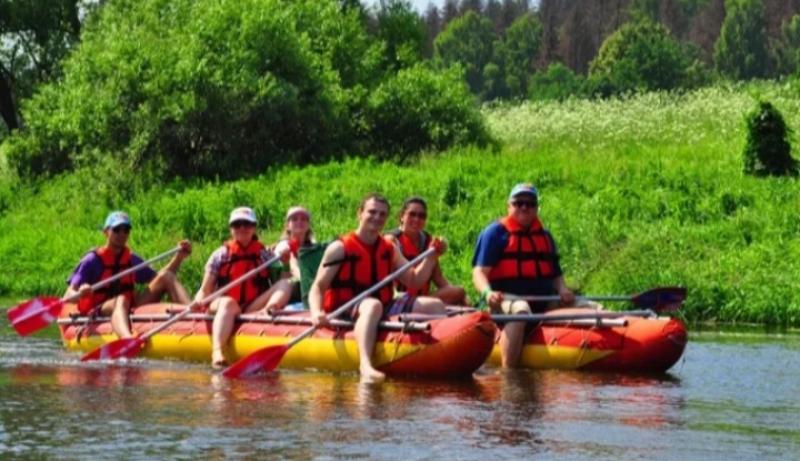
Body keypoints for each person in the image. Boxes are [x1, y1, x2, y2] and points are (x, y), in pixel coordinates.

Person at [308, 193, 447, 382]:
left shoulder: (389, 248)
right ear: (360, 213)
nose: (377, 217)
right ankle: (365, 364)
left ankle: (437, 354)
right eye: (372, 212)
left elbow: (414, 280)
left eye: (382, 214)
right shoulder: (339, 248)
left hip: (383, 303)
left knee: (435, 305)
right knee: (372, 305)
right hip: (347, 306)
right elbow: (318, 286)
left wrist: (431, 257)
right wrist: (316, 312)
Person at [472, 184, 575, 368]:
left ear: (537, 208)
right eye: (519, 203)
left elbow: (556, 273)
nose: (524, 208)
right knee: (520, 310)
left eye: (530, 203)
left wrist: (563, 289)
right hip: (504, 299)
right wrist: (488, 293)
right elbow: (479, 272)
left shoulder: (545, 236)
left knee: (586, 306)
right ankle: (509, 374)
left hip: (544, 299)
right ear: (509, 206)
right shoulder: (495, 233)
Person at [65, 211, 192, 340]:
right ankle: (127, 338)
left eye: (126, 230)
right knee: (120, 300)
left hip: (131, 305)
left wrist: (178, 258)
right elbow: (68, 294)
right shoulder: (92, 260)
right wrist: (80, 292)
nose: (122, 234)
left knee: (166, 276)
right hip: (101, 309)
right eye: (117, 229)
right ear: (106, 232)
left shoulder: (131, 259)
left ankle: (194, 312)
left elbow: (158, 279)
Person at [195, 206, 292, 368]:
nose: (242, 228)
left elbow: (283, 279)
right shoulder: (221, 254)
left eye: (247, 224)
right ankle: (217, 351)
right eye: (237, 224)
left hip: (252, 306)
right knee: (228, 303)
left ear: (254, 228)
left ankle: (268, 312)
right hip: (222, 304)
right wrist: (198, 301)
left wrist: (286, 262)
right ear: (231, 229)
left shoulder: (264, 255)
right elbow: (206, 289)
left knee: (285, 284)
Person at [386, 196, 468, 305]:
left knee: (459, 292)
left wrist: (461, 296)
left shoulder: (427, 240)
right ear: (402, 216)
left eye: (421, 216)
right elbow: (386, 278)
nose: (416, 219)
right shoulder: (392, 240)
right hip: (400, 298)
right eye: (412, 214)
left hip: (422, 298)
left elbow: (438, 277)